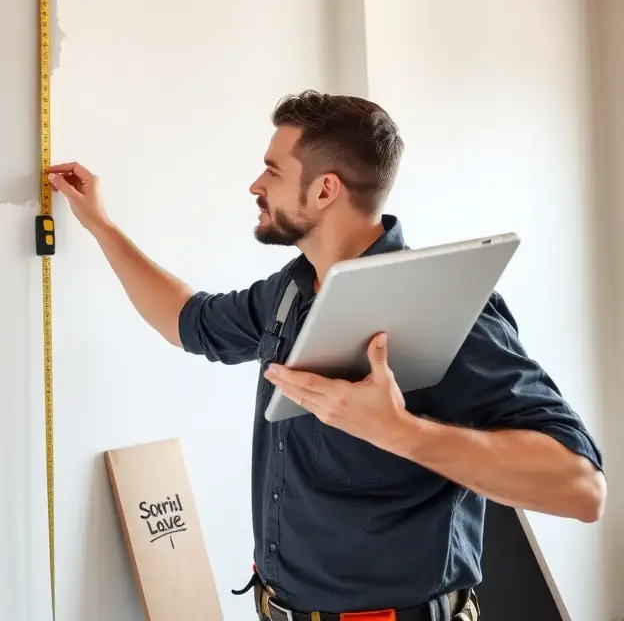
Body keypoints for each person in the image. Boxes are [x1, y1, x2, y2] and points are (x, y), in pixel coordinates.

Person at [47, 90, 606, 621]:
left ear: (324, 190)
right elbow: (186, 321)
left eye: (272, 169)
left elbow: (581, 488)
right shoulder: (291, 292)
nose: (254, 184)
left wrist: (400, 432)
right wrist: (101, 226)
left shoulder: (449, 308)